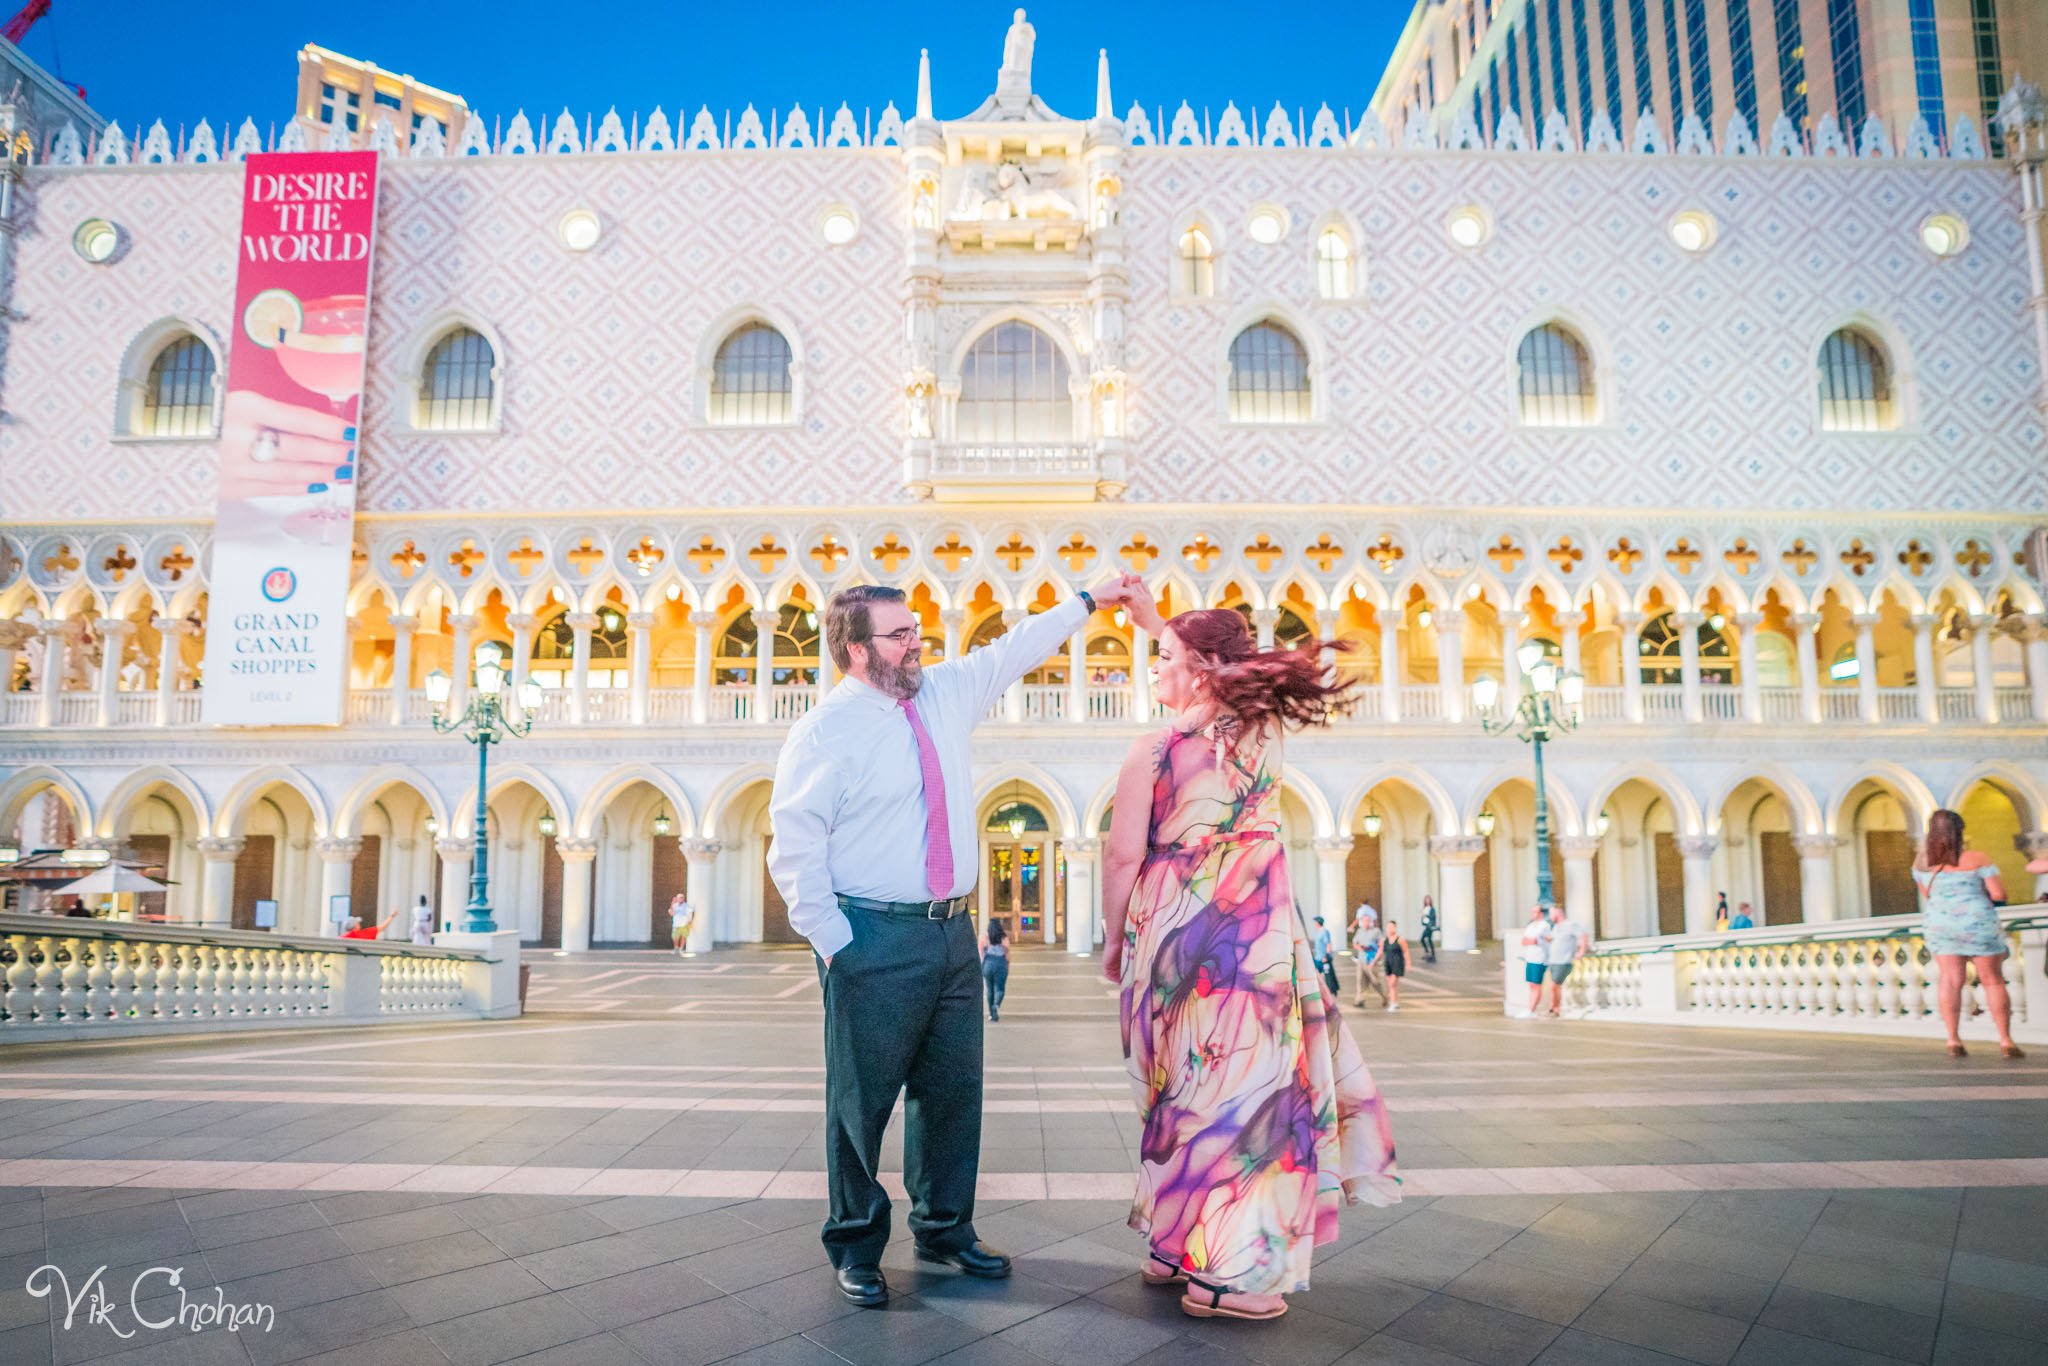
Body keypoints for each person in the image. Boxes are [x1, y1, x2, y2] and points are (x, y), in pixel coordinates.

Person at [768, 575, 1146, 1309]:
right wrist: (837, 942)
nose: (917, 644)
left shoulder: (941, 694)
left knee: (952, 1093)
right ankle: (855, 1241)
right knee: (860, 1103)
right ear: (855, 649)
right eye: (900, 635)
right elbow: (795, 846)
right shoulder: (824, 731)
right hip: (872, 933)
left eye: (916, 631)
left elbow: (1015, 649)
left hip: (952, 935)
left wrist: (1088, 602)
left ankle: (943, 1226)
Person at [1101, 598, 1398, 1323]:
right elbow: (1217, 674)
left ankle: (1178, 1248)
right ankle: (1229, 1273)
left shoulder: (1149, 751)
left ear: (1199, 670)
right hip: (1248, 942)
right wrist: (1167, 631)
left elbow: (1122, 856)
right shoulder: (1261, 731)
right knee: (1243, 1097)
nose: (1154, 667)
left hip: (1168, 938)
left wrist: (1114, 938)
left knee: (1181, 1090)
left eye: (1164, 657)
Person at [1913, 808, 2023, 1059]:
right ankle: (2005, 1040)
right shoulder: (1978, 859)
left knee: (1950, 980)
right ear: (1959, 832)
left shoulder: (1922, 863)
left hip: (1941, 924)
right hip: (1977, 924)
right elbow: (1999, 895)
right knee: (1992, 980)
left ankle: (1953, 1040)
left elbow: (1928, 895)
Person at [1544, 904, 1590, 1017]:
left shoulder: (1570, 925)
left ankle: (1554, 1009)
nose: (1550, 916)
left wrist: (1582, 951)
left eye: (1552, 913)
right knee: (1555, 987)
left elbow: (1583, 935)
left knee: (1554, 986)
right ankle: (1554, 1008)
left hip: (1563, 961)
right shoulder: (1555, 927)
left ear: (1559, 912)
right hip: (1553, 961)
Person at [1350, 902, 1387, 1008]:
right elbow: (1355, 943)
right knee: (1360, 981)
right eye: (1364, 921)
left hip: (1371, 960)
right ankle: (1359, 999)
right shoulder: (1360, 931)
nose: (1366, 922)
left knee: (1375, 981)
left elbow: (1381, 944)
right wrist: (1360, 947)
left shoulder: (1376, 931)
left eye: (1367, 921)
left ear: (1371, 922)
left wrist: (1376, 957)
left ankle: (1384, 996)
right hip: (1361, 960)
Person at [1518, 905, 1552, 1016]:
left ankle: (1531, 1009)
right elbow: (1524, 941)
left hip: (1540, 959)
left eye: (1536, 912)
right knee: (1531, 984)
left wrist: (1532, 940)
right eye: (1532, 912)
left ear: (1541, 913)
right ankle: (1530, 1008)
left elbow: (1534, 940)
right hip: (1530, 958)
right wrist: (1531, 940)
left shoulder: (1544, 926)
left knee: (1537, 984)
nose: (1534, 914)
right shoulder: (1531, 926)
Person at [978, 916, 1010, 1021]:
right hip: (1000, 963)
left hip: (988, 964)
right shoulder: (1003, 938)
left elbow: (981, 952)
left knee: (990, 989)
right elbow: (1007, 951)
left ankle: (992, 1014)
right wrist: (1007, 963)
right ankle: (996, 1005)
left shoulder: (985, 938)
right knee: (1000, 988)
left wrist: (982, 964)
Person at [1310, 915, 1341, 998]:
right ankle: (1319, 991)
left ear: (1318, 923)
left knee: (1328, 976)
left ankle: (1331, 991)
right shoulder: (1318, 932)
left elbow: (1328, 944)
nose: (1314, 924)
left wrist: (1326, 956)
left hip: (1324, 958)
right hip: (1317, 958)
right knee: (1317, 975)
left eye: (1315, 922)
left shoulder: (1324, 932)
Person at [1382, 921, 1408, 1011]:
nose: (1390, 929)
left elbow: (1406, 952)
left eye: (1392, 927)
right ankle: (1395, 1002)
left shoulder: (1400, 940)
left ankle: (1392, 1003)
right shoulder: (1384, 940)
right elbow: (1380, 952)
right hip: (1388, 963)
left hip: (1397, 963)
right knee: (1393, 985)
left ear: (1395, 928)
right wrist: (1373, 962)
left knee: (1392, 984)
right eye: (1388, 927)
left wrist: (1408, 964)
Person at [339, 908, 404, 941]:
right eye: (357, 923)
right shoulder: (363, 934)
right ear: (355, 926)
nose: (359, 924)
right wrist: (391, 916)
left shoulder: (344, 937)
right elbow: (382, 927)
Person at [668, 892, 696, 957]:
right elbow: (671, 912)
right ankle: (676, 948)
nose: (680, 899)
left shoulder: (686, 905)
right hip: (676, 924)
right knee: (675, 937)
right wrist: (672, 902)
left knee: (683, 936)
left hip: (684, 924)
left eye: (682, 898)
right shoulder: (674, 905)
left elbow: (692, 911)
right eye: (679, 898)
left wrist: (691, 921)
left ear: (683, 899)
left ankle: (681, 948)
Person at [1418, 896, 1438, 963]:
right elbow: (1423, 918)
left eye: (1428, 900)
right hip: (1427, 926)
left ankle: (1430, 953)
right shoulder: (1425, 908)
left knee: (1423, 939)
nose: (1427, 901)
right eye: (1426, 900)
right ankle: (1430, 953)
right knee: (1428, 940)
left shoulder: (1432, 909)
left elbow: (1433, 917)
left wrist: (1426, 915)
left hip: (1430, 927)